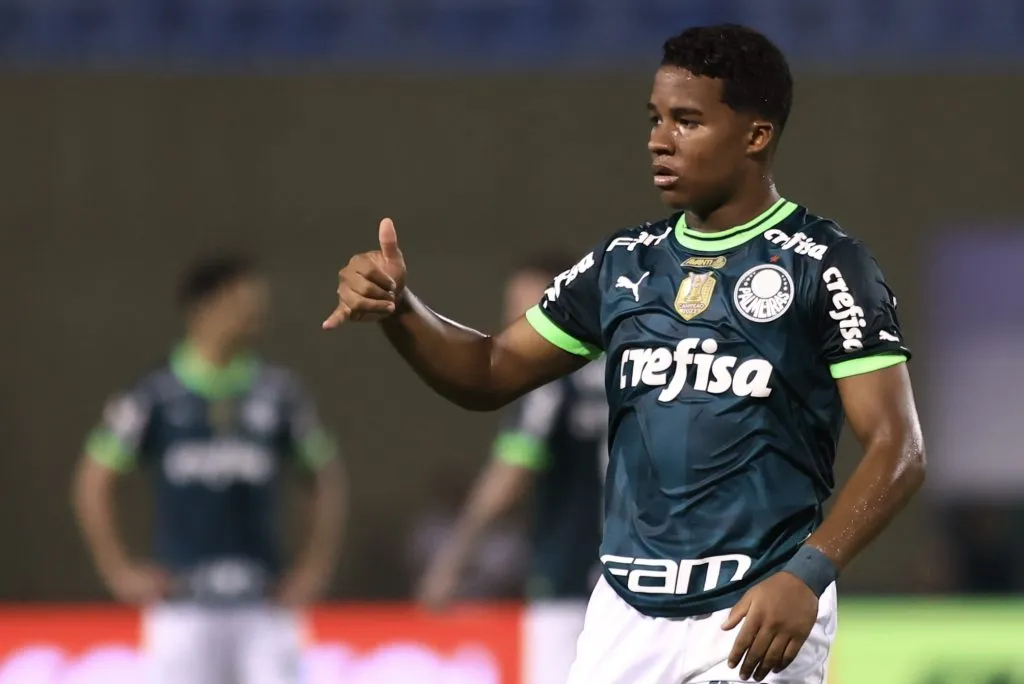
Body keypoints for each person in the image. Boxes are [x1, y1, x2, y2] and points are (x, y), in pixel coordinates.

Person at [323, 23, 926, 684]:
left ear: (756, 136)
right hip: (624, 614)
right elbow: (488, 371)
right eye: (655, 118)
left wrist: (808, 574)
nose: (658, 140)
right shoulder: (623, 262)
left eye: (687, 121)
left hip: (755, 604)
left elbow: (898, 448)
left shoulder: (827, 264)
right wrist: (400, 308)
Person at [74, 254, 346, 684]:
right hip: (183, 610)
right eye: (243, 301)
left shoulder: (278, 394)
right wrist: (118, 570)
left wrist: (314, 569)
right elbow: (95, 478)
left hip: (264, 608)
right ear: (206, 307)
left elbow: (323, 476)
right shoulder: (155, 395)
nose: (257, 313)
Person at [417, 255, 608, 684]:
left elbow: (509, 475)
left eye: (528, 312)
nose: (513, 324)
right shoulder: (627, 367)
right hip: (641, 580)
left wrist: (454, 557)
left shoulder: (550, 384)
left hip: (568, 580)